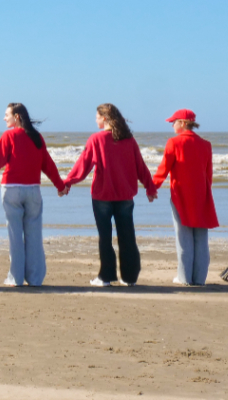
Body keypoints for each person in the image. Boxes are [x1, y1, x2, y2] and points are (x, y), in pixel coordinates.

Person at [0, 103, 66, 287]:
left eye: (7, 115)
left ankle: (16, 278)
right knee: (34, 235)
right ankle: (35, 279)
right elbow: (48, 164)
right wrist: (60, 186)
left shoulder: (9, 136)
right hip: (33, 191)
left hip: (12, 190)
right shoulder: (37, 137)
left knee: (15, 235)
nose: (4, 118)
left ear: (17, 117)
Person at [63, 103, 157, 287]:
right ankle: (129, 278)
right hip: (124, 195)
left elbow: (83, 166)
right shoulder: (129, 140)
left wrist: (66, 183)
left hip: (102, 196)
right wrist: (150, 188)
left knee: (105, 236)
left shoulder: (96, 139)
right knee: (127, 235)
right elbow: (141, 166)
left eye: (97, 116)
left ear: (104, 118)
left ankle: (106, 276)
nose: (95, 119)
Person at [152, 109, 218, 286]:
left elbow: (163, 169)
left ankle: (184, 278)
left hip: (180, 195)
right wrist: (204, 192)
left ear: (182, 122)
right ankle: (199, 279)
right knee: (201, 239)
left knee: (184, 238)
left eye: (173, 122)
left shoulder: (174, 142)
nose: (172, 125)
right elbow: (208, 175)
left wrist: (152, 188)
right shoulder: (205, 144)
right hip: (202, 196)